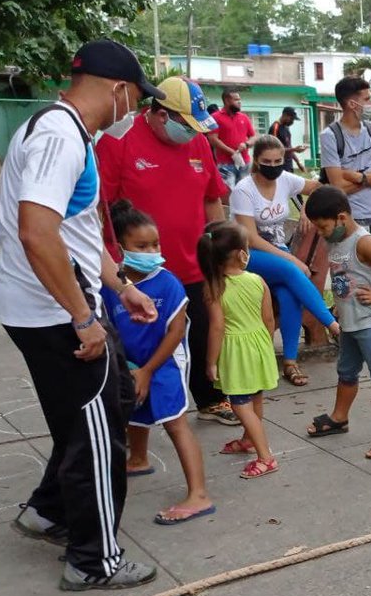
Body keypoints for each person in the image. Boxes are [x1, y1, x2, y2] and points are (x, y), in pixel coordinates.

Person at [0, 38, 161, 590]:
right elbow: (37, 232)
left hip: (61, 303)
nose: (133, 113)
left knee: (99, 408)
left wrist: (121, 287)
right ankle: (93, 561)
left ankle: (49, 510)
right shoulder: (59, 137)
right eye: (136, 100)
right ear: (117, 89)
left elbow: (76, 233)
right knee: (96, 434)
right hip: (55, 312)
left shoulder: (64, 131)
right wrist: (83, 318)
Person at [96, 75, 238, 426]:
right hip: (138, 271)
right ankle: (129, 409)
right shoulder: (119, 142)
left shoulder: (199, 144)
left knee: (204, 331)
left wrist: (218, 249)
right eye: (184, 124)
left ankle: (210, 398)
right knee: (138, 339)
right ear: (160, 114)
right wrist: (112, 264)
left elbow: (212, 198)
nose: (190, 133)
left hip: (194, 264)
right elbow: (100, 209)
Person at [102, 200, 214, 525]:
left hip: (165, 365)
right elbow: (110, 327)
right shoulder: (113, 285)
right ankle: (137, 458)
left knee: (175, 422)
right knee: (134, 413)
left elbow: (176, 332)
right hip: (132, 364)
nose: (151, 251)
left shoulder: (168, 283)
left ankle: (199, 494)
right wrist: (131, 369)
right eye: (141, 245)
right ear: (120, 248)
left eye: (155, 244)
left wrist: (149, 371)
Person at [303, 187, 371, 460]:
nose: (322, 233)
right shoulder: (334, 240)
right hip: (350, 322)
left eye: (323, 227)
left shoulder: (364, 242)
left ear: (341, 218)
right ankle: (339, 417)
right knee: (346, 371)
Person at [230, 133, 338, 388]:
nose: (274, 166)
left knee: (289, 294)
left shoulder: (286, 180)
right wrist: (292, 261)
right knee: (293, 274)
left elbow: (319, 187)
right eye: (267, 161)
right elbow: (252, 240)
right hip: (247, 256)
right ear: (256, 161)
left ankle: (289, 361)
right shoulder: (243, 190)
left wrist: (304, 209)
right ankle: (333, 325)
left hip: (277, 255)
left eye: (278, 160)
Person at [198, 222, 279, 479]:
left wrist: (211, 362)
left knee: (240, 404)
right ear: (241, 253)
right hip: (259, 345)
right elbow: (269, 319)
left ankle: (265, 457)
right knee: (255, 398)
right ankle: (248, 440)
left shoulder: (214, 288)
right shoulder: (258, 280)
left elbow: (217, 328)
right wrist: (264, 345)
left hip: (237, 351)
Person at [320, 76, 371, 251]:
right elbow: (338, 186)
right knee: (351, 274)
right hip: (349, 219)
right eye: (367, 99)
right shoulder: (330, 136)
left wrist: (356, 176)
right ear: (352, 104)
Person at [209, 89, 256, 188]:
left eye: (240, 99)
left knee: (244, 194)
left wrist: (246, 144)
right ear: (227, 100)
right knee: (228, 196)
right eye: (236, 99)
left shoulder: (244, 117)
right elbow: (213, 139)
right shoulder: (215, 117)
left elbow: (253, 136)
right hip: (225, 165)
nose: (240, 102)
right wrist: (232, 152)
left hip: (244, 164)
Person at [268, 107, 307, 174]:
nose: (292, 122)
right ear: (285, 115)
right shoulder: (275, 127)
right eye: (291, 119)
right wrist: (294, 149)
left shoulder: (286, 128)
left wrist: (298, 162)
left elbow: (289, 146)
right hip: (279, 165)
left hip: (288, 165)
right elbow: (274, 149)